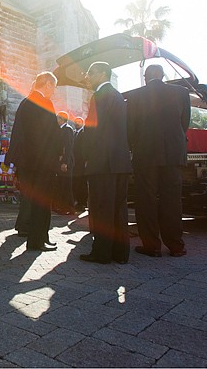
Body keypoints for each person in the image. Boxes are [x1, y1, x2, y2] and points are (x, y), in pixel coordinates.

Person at [127, 64, 190, 257]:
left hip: (145, 154)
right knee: (172, 200)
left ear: (145, 77)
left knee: (146, 200)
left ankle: (152, 245)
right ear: (163, 76)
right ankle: (176, 245)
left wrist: (134, 147)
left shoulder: (135, 95)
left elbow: (130, 127)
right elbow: (184, 122)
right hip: (173, 153)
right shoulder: (181, 92)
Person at [80, 62, 132, 264]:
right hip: (120, 162)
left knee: (102, 209)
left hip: (102, 163)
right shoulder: (119, 97)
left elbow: (92, 128)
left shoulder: (99, 96)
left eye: (91, 73)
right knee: (119, 209)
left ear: (102, 74)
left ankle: (101, 253)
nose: (88, 77)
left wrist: (86, 155)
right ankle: (120, 253)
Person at [5, 72, 62, 251]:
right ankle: (37, 241)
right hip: (42, 163)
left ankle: (41, 237)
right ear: (46, 85)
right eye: (53, 86)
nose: (54, 90)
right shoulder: (44, 103)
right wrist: (57, 155)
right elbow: (53, 135)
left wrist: (13, 160)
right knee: (41, 203)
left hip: (28, 164)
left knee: (33, 201)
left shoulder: (25, 103)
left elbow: (17, 134)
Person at [0, 104, 17, 204]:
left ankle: (11, 196)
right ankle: (2, 196)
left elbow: (13, 157)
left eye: (5, 140)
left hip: (8, 167)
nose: (4, 142)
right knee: (2, 183)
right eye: (2, 140)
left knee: (10, 183)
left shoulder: (10, 148)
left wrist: (11, 167)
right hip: (2, 166)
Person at [53, 111, 75, 214]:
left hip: (66, 162)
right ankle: (61, 206)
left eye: (58, 118)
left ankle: (69, 208)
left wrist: (65, 162)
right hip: (59, 161)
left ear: (62, 119)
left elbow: (68, 146)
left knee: (66, 185)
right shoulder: (60, 130)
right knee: (60, 184)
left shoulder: (68, 130)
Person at [72, 116, 88, 212]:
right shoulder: (74, 133)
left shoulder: (84, 133)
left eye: (79, 122)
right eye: (76, 122)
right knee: (76, 182)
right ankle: (77, 201)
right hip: (75, 163)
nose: (77, 123)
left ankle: (82, 202)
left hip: (81, 162)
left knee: (82, 183)